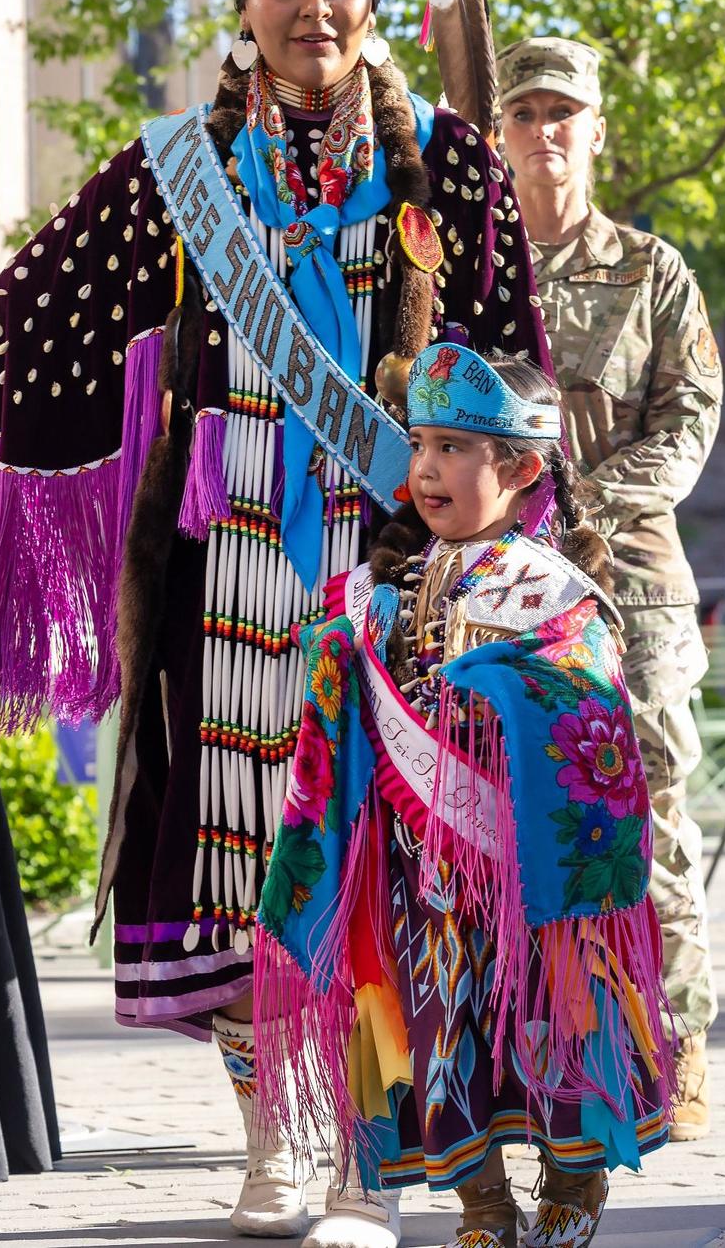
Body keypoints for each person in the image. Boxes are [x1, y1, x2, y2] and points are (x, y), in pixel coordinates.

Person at [0, 0, 550, 1246]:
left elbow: (519, 367)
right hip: (233, 576)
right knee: (245, 852)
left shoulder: (452, 167)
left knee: (377, 858)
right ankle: (277, 1136)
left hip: (399, 575)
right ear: (245, 2)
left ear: (371, 1)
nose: (313, 10)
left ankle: (363, 1153)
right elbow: (40, 307)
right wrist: (36, 464)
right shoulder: (176, 173)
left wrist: (502, 542)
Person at [254, 345, 673, 1248]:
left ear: (520, 469)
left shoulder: (551, 592)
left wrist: (505, 689)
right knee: (436, 1027)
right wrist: (343, 655)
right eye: (421, 444)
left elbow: (590, 707)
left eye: (454, 447)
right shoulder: (384, 589)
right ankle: (482, 1202)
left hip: (525, 873)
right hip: (420, 870)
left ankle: (574, 1177)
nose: (429, 468)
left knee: (551, 1017)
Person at [495, 36, 723, 1140]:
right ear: (499, 133)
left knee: (655, 811)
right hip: (504, 584)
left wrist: (583, 499)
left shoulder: (651, 269)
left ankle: (677, 1047)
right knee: (516, 817)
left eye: (564, 112)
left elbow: (688, 421)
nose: (546, 130)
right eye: (526, 111)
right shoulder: (471, 272)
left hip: (632, 584)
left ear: (596, 131)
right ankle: (543, 1048)